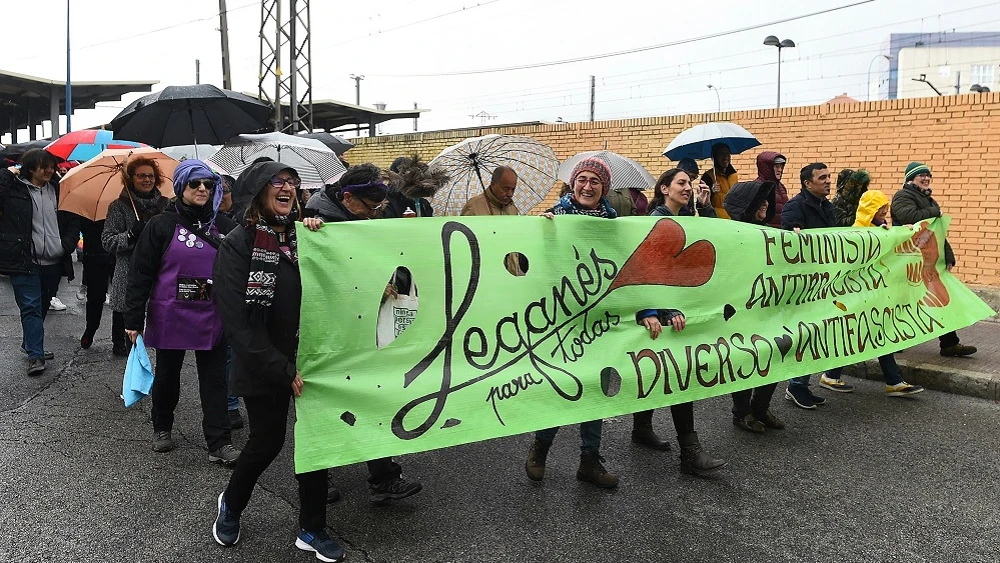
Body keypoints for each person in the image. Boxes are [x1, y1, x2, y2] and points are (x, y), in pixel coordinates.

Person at [210, 161, 345, 561]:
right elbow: (238, 323)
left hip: (314, 358)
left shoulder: (308, 237)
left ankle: (312, 528)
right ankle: (231, 504)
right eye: (278, 182)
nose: (288, 188)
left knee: (316, 443)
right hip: (265, 362)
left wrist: (324, 240)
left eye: (293, 183)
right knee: (267, 442)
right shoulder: (238, 244)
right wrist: (282, 369)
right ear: (258, 191)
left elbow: (339, 283)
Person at [298, 163, 424, 503]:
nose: (374, 213)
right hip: (328, 333)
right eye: (369, 207)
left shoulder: (356, 220)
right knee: (322, 402)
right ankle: (316, 478)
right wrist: (369, 286)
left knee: (373, 396)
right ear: (348, 197)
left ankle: (383, 476)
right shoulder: (316, 223)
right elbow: (321, 281)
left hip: (363, 327)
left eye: (378, 207)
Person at [123, 159, 240, 464]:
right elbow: (140, 274)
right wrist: (132, 319)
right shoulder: (160, 225)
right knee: (167, 376)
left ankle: (219, 442)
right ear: (180, 187)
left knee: (215, 380)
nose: (203, 189)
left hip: (213, 315)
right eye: (195, 183)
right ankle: (162, 428)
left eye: (209, 184)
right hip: (170, 312)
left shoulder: (224, 226)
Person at [526, 157, 619, 489]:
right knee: (559, 385)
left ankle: (589, 460)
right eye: (582, 179)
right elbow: (532, 264)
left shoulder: (613, 223)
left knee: (596, 388)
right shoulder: (555, 218)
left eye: (595, 181)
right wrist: (541, 232)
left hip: (599, 320)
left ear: (604, 188)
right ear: (572, 183)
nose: (588, 186)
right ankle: (541, 449)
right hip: (562, 319)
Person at [633, 169, 726, 473]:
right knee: (678, 377)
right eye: (681, 183)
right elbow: (645, 271)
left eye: (690, 183)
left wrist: (706, 206)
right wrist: (651, 311)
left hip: (674, 311)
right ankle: (690, 451)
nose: (688, 188)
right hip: (658, 313)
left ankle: (642, 428)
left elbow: (719, 240)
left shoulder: (687, 217)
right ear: (664, 189)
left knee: (660, 374)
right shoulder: (655, 222)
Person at [816, 190, 926, 398]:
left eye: (886, 208)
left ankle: (893, 381)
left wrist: (904, 231)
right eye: (880, 209)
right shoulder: (856, 233)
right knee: (854, 336)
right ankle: (832, 375)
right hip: (855, 297)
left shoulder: (882, 230)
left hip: (874, 296)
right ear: (870, 211)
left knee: (879, 335)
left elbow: (893, 243)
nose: (884, 212)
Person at [0, 149, 77, 375]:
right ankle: (36, 355)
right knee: (31, 307)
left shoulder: (59, 189)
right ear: (30, 167)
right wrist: (8, 172)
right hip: (24, 259)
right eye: (44, 165)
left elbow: (72, 221)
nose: (50, 170)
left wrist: (66, 245)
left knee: (42, 305)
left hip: (54, 259)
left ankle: (30, 342)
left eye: (51, 165)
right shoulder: (13, 191)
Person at [890, 162, 976, 357]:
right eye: (921, 175)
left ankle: (949, 344)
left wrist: (948, 256)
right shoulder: (903, 196)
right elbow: (907, 215)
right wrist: (935, 212)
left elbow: (938, 233)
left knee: (941, 299)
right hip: (908, 261)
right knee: (903, 302)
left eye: (928, 175)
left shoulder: (928, 200)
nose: (926, 178)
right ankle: (894, 341)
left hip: (927, 261)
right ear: (911, 178)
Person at [723, 181, 786, 433]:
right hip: (741, 309)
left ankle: (761, 406)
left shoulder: (771, 232)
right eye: (759, 199)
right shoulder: (731, 234)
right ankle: (741, 411)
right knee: (746, 358)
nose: (766, 203)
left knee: (775, 354)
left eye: (767, 198)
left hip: (769, 308)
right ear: (744, 206)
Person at [781, 163, 838, 409]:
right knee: (806, 334)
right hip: (805, 285)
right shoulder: (795, 207)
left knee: (819, 334)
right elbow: (785, 245)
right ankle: (795, 384)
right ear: (807, 184)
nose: (828, 181)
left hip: (824, 282)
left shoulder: (828, 207)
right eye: (822, 178)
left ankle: (802, 384)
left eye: (829, 177)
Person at [102, 156, 169, 357]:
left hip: (159, 268)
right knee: (126, 308)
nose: (147, 180)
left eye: (150, 176)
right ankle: (122, 343)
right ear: (131, 179)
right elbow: (107, 241)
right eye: (141, 176)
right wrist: (130, 234)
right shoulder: (119, 206)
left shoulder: (166, 205)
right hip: (129, 268)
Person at [460, 166, 526, 275]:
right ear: (493, 184)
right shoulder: (474, 207)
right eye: (505, 188)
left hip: (511, 275)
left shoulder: (511, 207)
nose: (510, 193)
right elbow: (463, 245)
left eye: (513, 189)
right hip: (486, 275)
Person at [77, 217, 115, 349]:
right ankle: (90, 329)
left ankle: (119, 339)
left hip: (118, 254)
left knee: (121, 297)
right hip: (95, 254)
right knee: (95, 297)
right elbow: (81, 225)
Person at [701, 143, 739, 219]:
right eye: (721, 154)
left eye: (728, 154)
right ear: (714, 157)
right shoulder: (708, 176)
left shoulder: (734, 176)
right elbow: (701, 203)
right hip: (716, 220)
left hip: (733, 221)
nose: (725, 157)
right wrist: (712, 192)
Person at [754, 151, 788, 228]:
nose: (780, 170)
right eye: (776, 166)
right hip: (767, 233)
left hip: (780, 232)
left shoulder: (781, 186)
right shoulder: (759, 186)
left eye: (781, 166)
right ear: (766, 168)